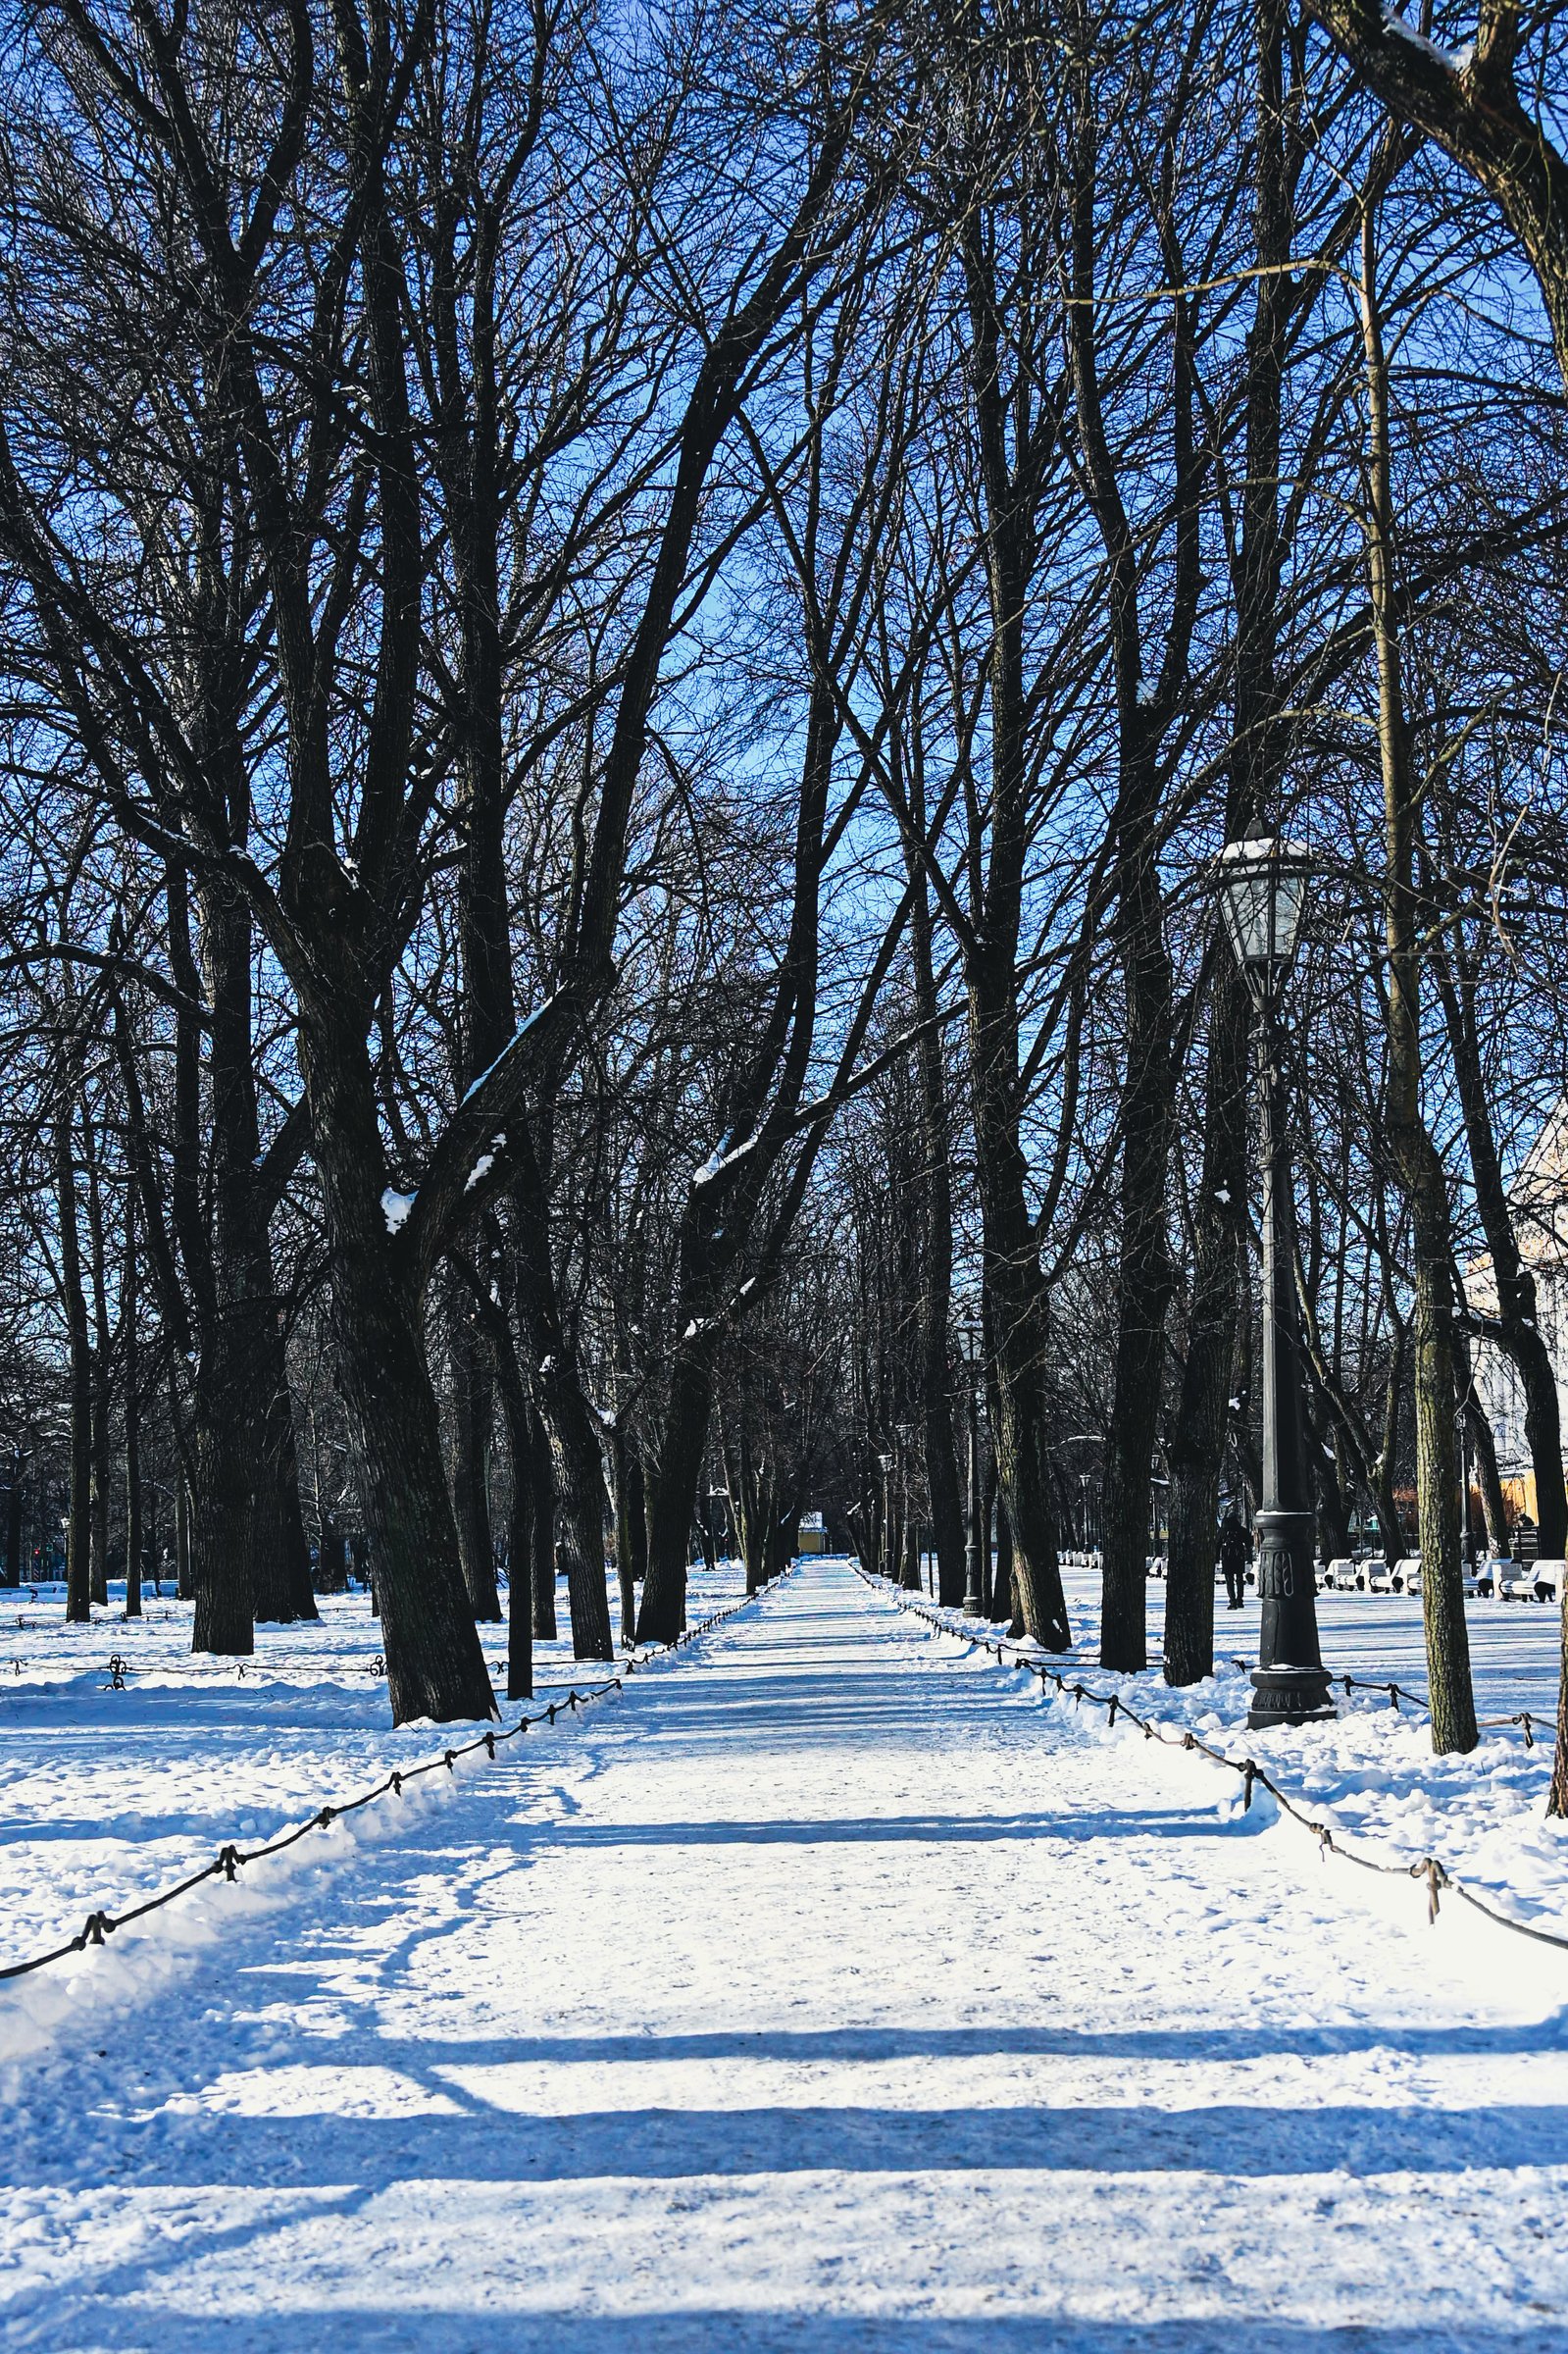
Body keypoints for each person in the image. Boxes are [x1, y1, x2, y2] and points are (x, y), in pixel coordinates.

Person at [1219, 1510, 1249, 1611]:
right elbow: (1249, 1543)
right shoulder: (1241, 1530)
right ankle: (1240, 1600)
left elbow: (1217, 1544)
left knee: (1229, 1580)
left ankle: (1232, 1601)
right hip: (1238, 1556)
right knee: (1239, 1578)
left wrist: (1216, 1560)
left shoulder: (1223, 1530)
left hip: (1226, 1557)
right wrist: (1248, 1559)